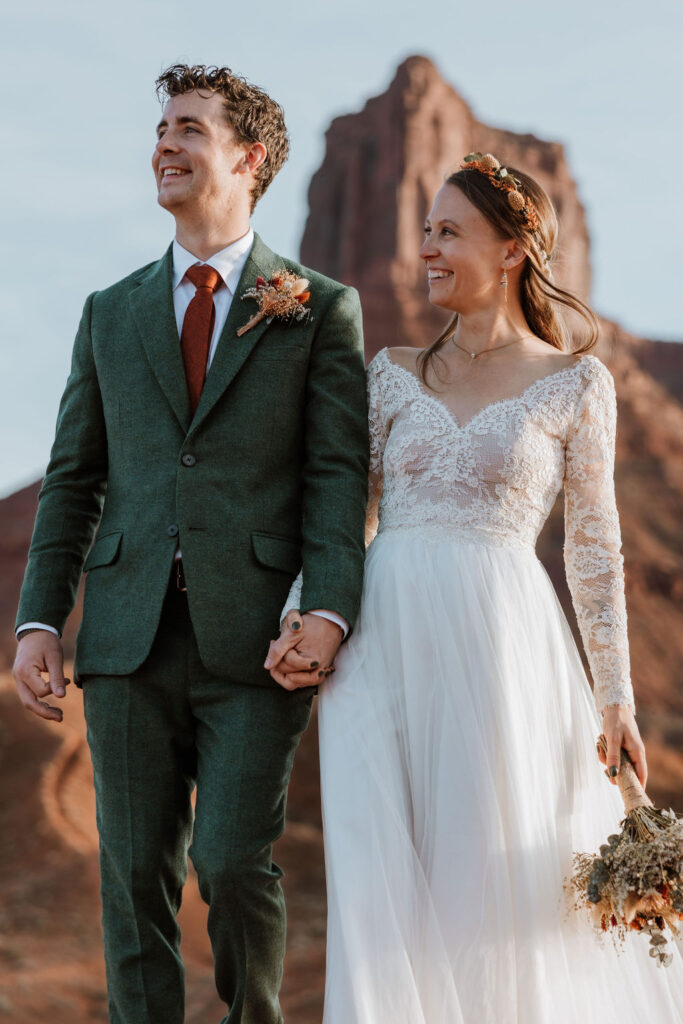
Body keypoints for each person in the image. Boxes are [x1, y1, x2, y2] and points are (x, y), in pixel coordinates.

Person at [267, 154, 683, 1021]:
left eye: (447, 231)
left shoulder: (576, 384)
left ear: (511, 249)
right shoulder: (387, 373)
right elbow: (346, 513)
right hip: (379, 646)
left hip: (502, 648)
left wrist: (616, 701)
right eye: (423, 231)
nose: (426, 248)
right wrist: (301, 614)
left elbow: (595, 554)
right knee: (376, 878)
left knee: (485, 888)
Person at [12, 64, 368, 1024]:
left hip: (255, 642)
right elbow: (74, 477)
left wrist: (329, 607)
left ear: (248, 160)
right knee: (132, 880)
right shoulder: (109, 311)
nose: (163, 146)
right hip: (124, 641)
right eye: (160, 131)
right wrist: (39, 619)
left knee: (230, 864)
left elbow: (338, 476)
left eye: (188, 130)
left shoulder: (318, 309)